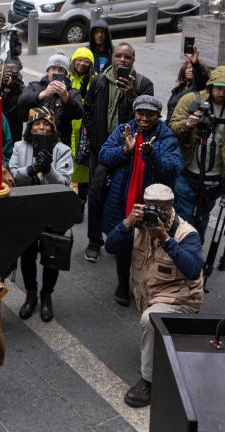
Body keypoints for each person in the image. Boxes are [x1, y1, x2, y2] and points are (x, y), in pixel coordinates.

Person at [104, 183, 204, 408]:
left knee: (150, 319)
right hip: (151, 296)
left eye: (162, 209)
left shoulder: (185, 233)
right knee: (151, 317)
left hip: (182, 299)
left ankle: (147, 381)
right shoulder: (138, 226)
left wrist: (166, 239)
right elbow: (110, 247)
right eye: (152, 208)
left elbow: (193, 269)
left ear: (171, 207)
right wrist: (127, 223)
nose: (156, 214)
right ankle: (165, 345)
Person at [100, 95, 183, 306]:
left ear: (158, 116)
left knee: (151, 245)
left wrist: (151, 154)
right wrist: (125, 149)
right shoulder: (124, 130)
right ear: (134, 113)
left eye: (150, 114)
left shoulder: (165, 137)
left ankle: (148, 285)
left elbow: (174, 169)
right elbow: (104, 155)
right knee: (123, 242)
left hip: (152, 201)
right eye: (140, 113)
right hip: (124, 197)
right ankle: (122, 283)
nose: (144, 118)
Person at [83, 42, 154, 264]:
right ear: (111, 58)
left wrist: (132, 96)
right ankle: (95, 242)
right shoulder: (98, 81)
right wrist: (96, 139)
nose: (122, 60)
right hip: (100, 149)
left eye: (127, 57)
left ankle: (118, 239)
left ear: (133, 60)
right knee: (95, 196)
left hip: (128, 152)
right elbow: (88, 111)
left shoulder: (143, 84)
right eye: (118, 56)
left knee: (123, 197)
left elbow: (147, 119)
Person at [9, 107, 74, 322]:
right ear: (30, 126)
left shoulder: (62, 149)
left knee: (51, 254)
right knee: (27, 254)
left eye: (46, 124)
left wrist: (48, 170)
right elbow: (12, 176)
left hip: (52, 209)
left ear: (53, 127)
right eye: (37, 123)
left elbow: (65, 182)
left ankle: (47, 295)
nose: (42, 127)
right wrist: (31, 169)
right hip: (27, 208)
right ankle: (30, 294)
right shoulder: (20, 146)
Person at [169, 65, 225, 238]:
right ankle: (181, 251)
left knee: (203, 216)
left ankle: (193, 252)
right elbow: (172, 128)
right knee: (183, 216)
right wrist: (188, 124)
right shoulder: (191, 100)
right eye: (219, 88)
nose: (222, 93)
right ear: (211, 86)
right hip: (188, 173)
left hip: (215, 178)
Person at [19, 50, 84, 146]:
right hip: (34, 140)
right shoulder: (35, 86)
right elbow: (22, 100)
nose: (56, 72)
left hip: (61, 143)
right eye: (53, 68)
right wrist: (43, 94)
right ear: (48, 70)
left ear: (66, 74)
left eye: (61, 70)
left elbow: (79, 114)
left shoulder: (72, 92)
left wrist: (65, 97)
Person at [68, 47, 97, 222]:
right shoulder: (68, 78)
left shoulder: (95, 81)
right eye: (79, 60)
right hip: (68, 128)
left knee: (83, 169)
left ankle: (80, 204)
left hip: (85, 132)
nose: (82, 63)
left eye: (86, 61)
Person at [1, 60, 25, 143]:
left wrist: (16, 87)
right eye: (7, 73)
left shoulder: (21, 87)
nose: (10, 76)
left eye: (13, 73)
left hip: (16, 125)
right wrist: (4, 86)